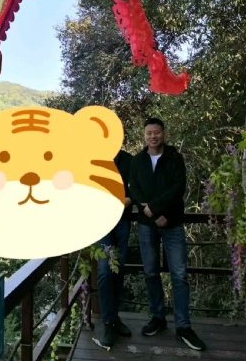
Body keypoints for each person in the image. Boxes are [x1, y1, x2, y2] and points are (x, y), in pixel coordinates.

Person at [128, 117, 206, 351]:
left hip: (172, 224)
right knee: (151, 272)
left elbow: (177, 188)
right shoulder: (138, 161)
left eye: (157, 132)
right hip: (146, 225)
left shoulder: (174, 158)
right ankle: (158, 318)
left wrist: (159, 211)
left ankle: (183, 327)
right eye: (149, 133)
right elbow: (135, 188)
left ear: (163, 133)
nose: (153, 136)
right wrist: (152, 214)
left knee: (179, 275)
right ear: (144, 135)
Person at [96, 149, 134, 348]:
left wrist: (127, 201)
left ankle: (114, 318)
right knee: (105, 271)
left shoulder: (129, 160)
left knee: (118, 270)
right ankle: (107, 323)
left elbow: (137, 189)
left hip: (122, 221)